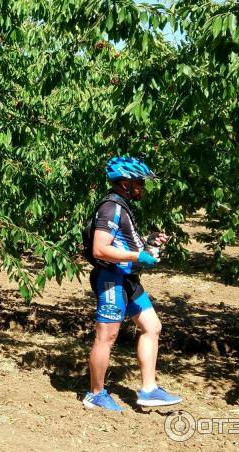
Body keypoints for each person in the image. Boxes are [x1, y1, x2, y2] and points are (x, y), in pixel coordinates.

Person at [82, 156, 182, 412]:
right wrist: (138, 256)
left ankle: (148, 390)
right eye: (140, 182)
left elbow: (120, 242)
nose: (143, 188)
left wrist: (148, 242)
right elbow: (100, 249)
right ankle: (95, 393)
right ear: (125, 183)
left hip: (127, 279)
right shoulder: (110, 208)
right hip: (111, 279)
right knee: (107, 336)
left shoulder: (122, 205)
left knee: (152, 326)